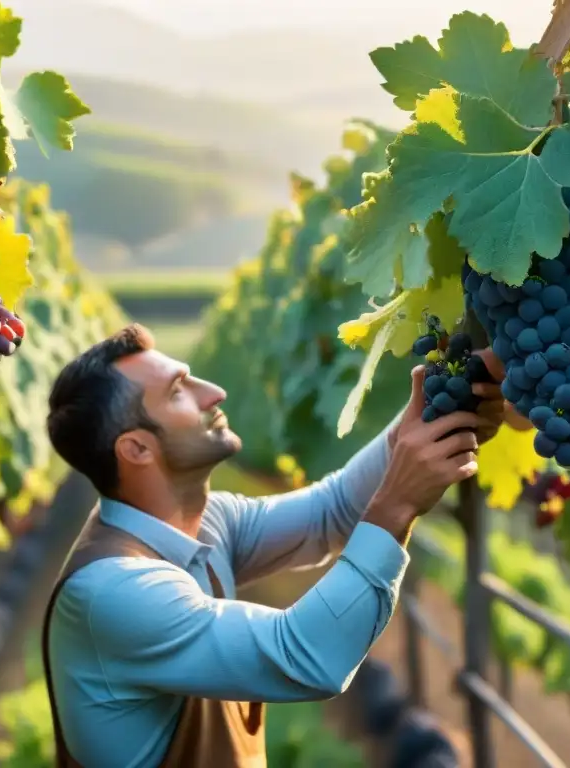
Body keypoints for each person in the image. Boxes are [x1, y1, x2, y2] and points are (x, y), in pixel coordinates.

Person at [42, 323, 511, 768]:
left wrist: (436, 414)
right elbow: (304, 656)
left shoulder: (203, 523)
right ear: (137, 450)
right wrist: (397, 506)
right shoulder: (112, 591)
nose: (214, 392)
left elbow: (332, 510)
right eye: (179, 390)